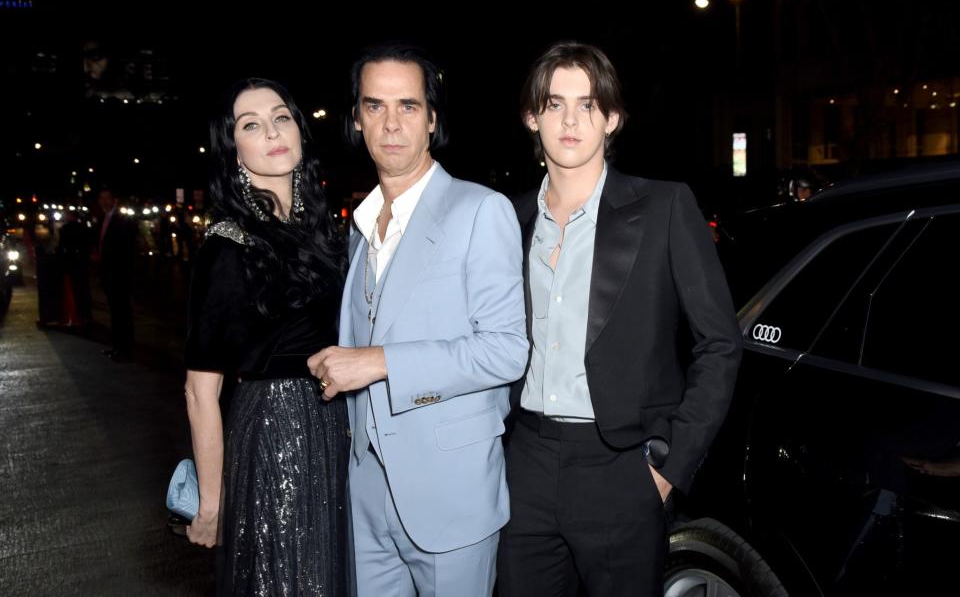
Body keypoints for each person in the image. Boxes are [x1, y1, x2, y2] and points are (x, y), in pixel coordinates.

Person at [497, 42, 743, 596]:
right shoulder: (505, 219)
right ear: (532, 117)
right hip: (525, 461)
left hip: (622, 468)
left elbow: (720, 344)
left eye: (588, 105)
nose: (570, 120)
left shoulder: (664, 207)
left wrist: (669, 467)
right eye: (554, 103)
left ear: (612, 118)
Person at [307, 43, 528, 597]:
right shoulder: (359, 228)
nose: (391, 123)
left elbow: (506, 350)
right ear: (356, 120)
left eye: (408, 105)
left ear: (432, 118)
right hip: (366, 493)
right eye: (374, 106)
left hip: (450, 495)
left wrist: (378, 363)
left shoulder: (481, 210)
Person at [183, 78, 349, 596]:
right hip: (275, 429)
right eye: (251, 125)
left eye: (282, 117)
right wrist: (212, 503)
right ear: (235, 150)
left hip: (334, 426)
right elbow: (199, 390)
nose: (273, 132)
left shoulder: (324, 228)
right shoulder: (228, 245)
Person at [95, 188, 137, 361]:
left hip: (118, 274)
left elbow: (124, 248)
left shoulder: (120, 219)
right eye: (102, 198)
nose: (104, 202)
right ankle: (117, 346)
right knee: (115, 311)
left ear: (114, 200)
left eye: (107, 198)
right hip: (110, 273)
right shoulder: (105, 218)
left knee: (122, 312)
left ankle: (125, 350)